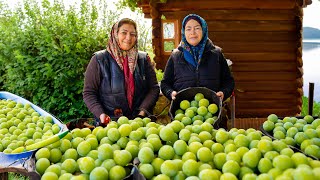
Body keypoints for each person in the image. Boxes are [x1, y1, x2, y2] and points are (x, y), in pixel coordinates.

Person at [160, 14, 235, 127]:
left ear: (204, 30)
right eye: (188, 29)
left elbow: (229, 81)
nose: (192, 32)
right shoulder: (175, 56)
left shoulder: (216, 54)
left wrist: (223, 93)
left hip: (213, 116)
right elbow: (165, 84)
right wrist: (171, 93)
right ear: (183, 32)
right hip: (183, 118)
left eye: (197, 28)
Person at [83, 18, 160, 125]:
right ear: (115, 34)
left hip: (140, 122)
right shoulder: (99, 60)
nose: (128, 38)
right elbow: (89, 93)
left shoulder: (143, 59)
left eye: (132, 34)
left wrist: (142, 113)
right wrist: (101, 114)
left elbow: (154, 88)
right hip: (110, 124)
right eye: (124, 33)